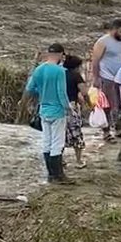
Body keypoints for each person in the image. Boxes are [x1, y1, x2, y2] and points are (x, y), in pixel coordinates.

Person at [25, 43, 71, 183]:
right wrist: (67, 108)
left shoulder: (39, 69)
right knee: (57, 143)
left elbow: (30, 88)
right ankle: (58, 175)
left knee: (47, 141)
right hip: (57, 110)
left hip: (43, 110)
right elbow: (61, 92)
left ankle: (50, 175)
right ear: (61, 54)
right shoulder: (59, 71)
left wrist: (41, 92)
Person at [90, 18, 121, 141]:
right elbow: (95, 61)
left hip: (120, 78)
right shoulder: (102, 42)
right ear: (114, 30)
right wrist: (96, 78)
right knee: (106, 106)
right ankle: (106, 132)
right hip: (106, 77)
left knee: (120, 105)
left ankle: (118, 129)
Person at [63, 54, 88, 168]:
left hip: (59, 106)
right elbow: (84, 92)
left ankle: (60, 160)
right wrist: (89, 103)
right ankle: (78, 161)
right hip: (72, 107)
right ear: (77, 66)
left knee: (61, 134)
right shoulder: (76, 75)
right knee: (76, 133)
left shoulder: (60, 74)